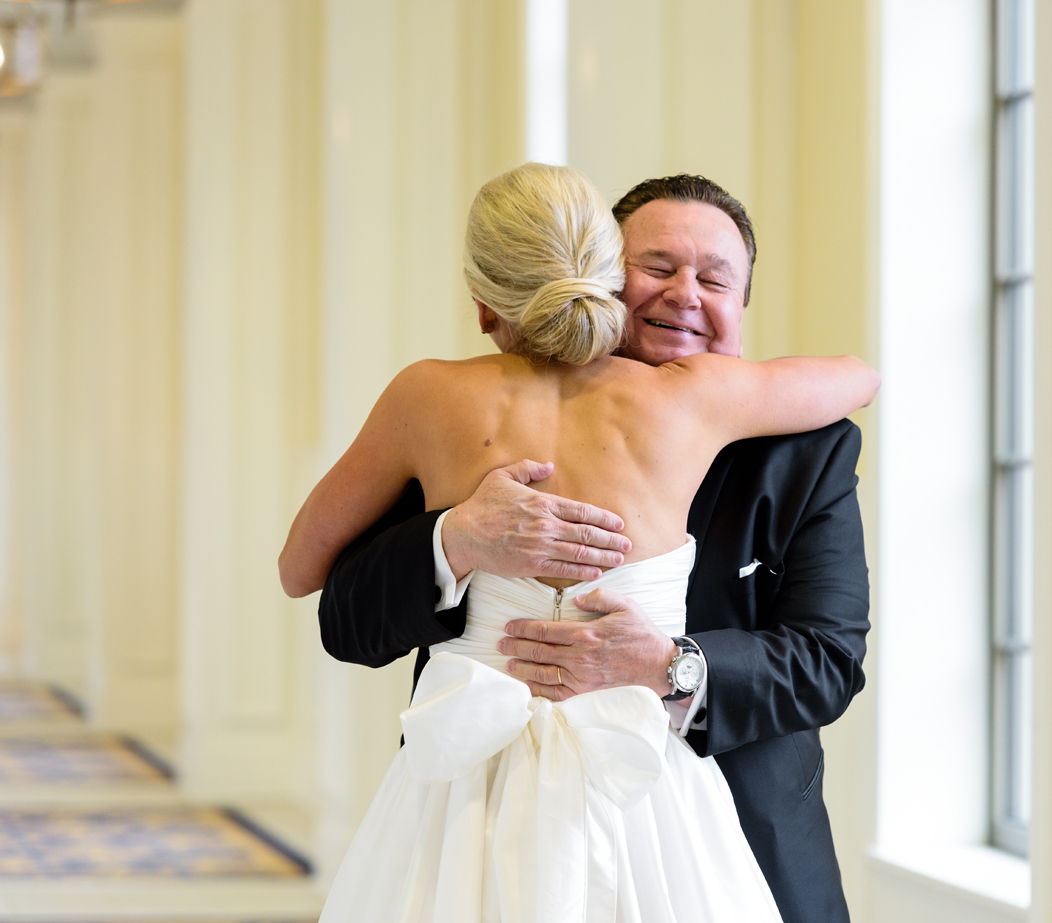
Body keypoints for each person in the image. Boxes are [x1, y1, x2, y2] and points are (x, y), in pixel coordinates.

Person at [281, 163, 879, 921]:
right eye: (656, 267)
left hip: (724, 836)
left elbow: (828, 660)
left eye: (715, 279)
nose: (686, 294)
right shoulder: (693, 402)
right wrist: (452, 540)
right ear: (603, 277)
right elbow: (343, 611)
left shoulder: (804, 449)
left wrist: (670, 664)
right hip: (472, 802)